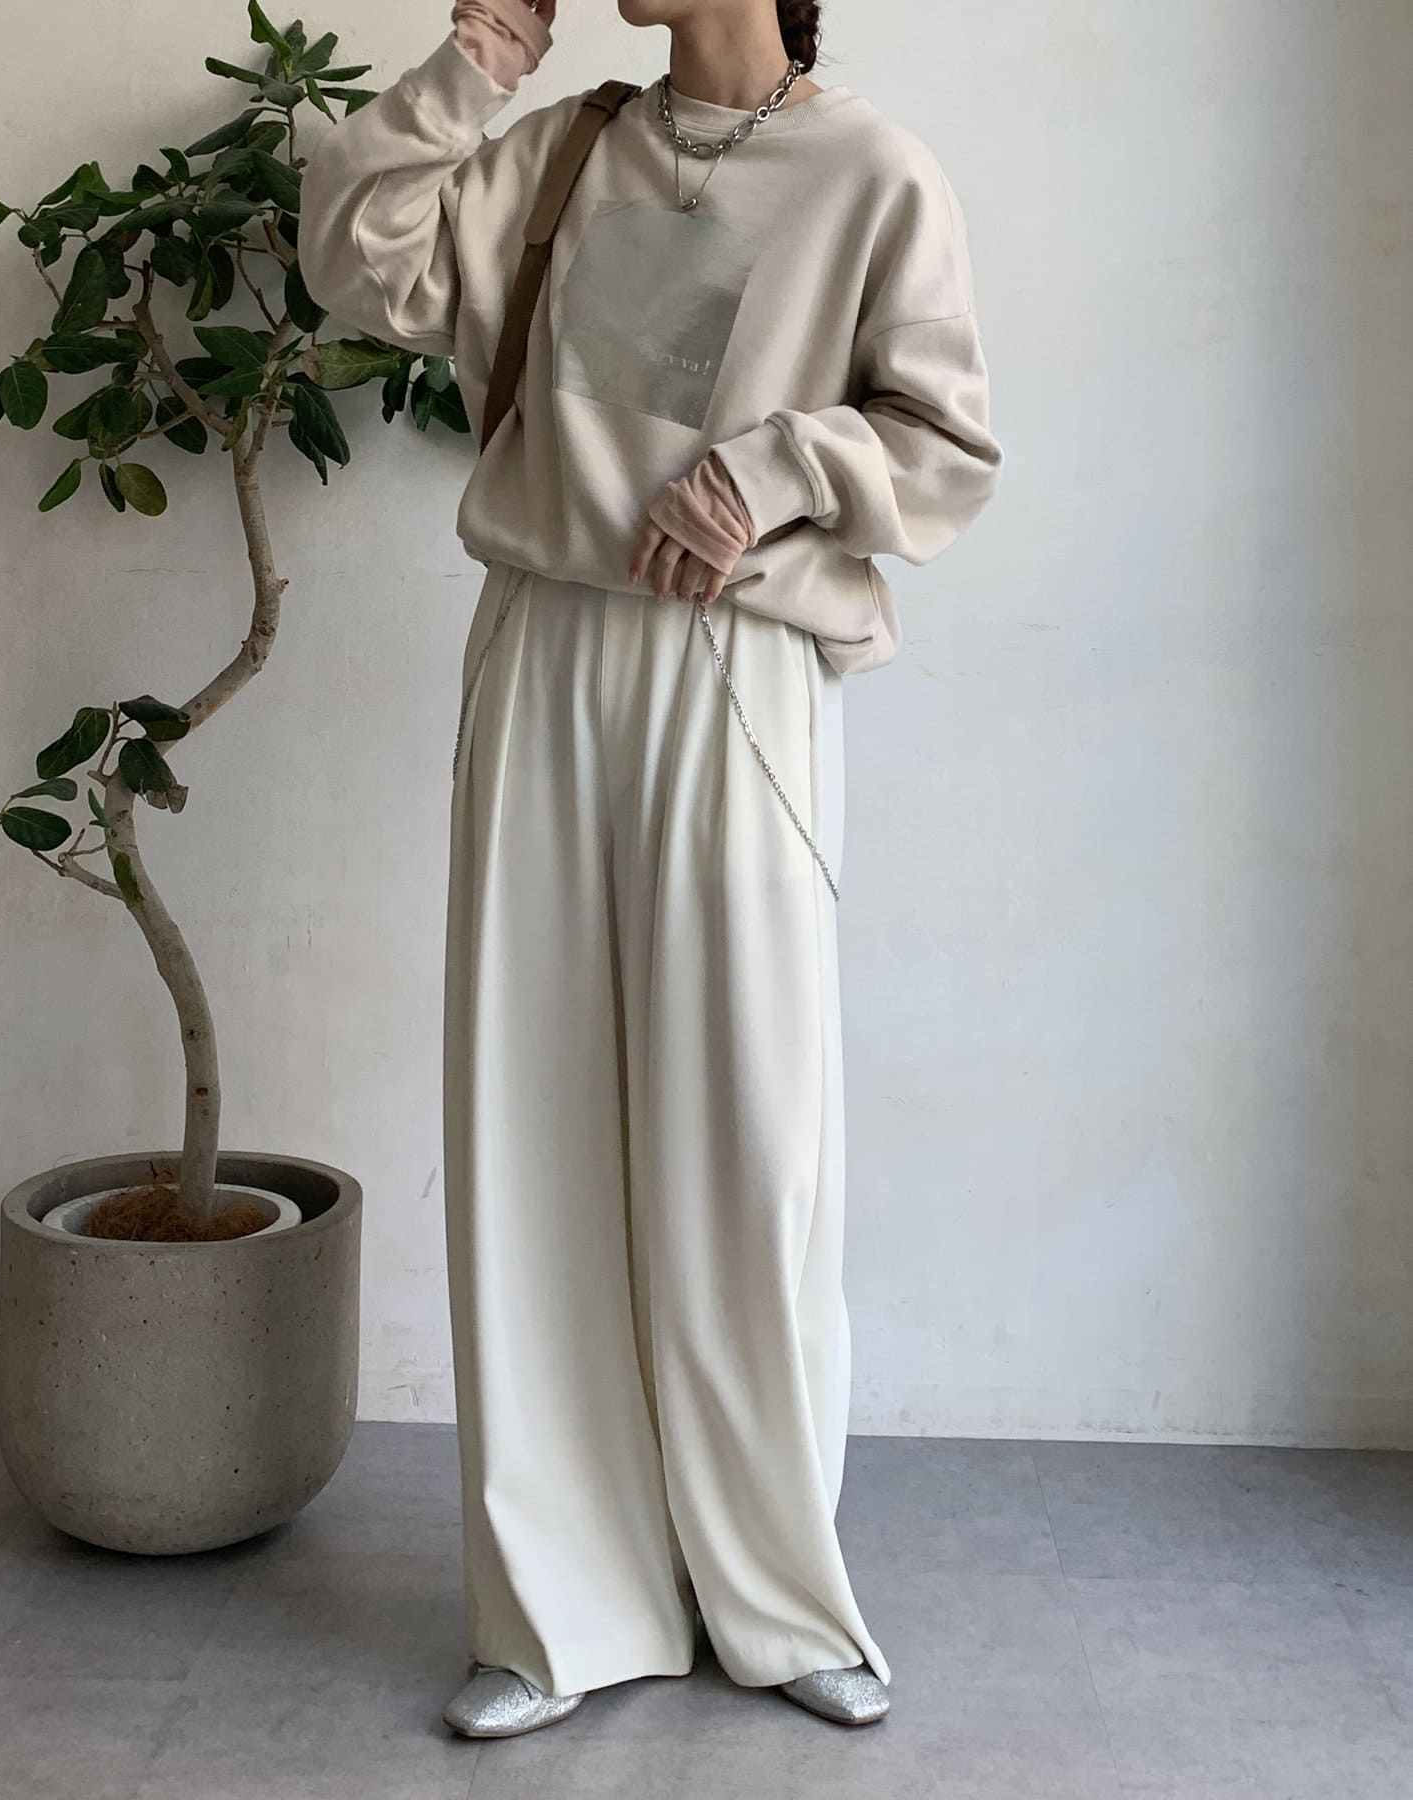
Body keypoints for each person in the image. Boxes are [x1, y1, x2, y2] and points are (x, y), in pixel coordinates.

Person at [297, 0, 1002, 1741]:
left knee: (746, 1127)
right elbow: (355, 253)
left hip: (738, 668)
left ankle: (774, 1593)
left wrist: (773, 471)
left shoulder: (873, 175)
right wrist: (477, 61)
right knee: (529, 1116)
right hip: (547, 644)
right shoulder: (563, 153)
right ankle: (560, 1608)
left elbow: (944, 446)